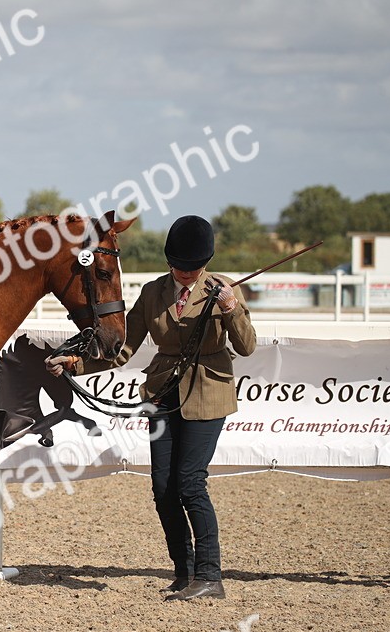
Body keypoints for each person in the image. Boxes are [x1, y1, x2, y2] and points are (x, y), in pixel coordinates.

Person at [46, 215, 257, 601]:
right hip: (163, 394)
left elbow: (246, 347)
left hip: (208, 393)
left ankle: (210, 576)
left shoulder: (224, 289)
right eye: (178, 266)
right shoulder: (153, 292)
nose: (185, 273)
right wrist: (77, 364)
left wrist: (231, 309)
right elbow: (123, 349)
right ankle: (184, 572)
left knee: (190, 482)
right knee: (163, 488)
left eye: (193, 267)